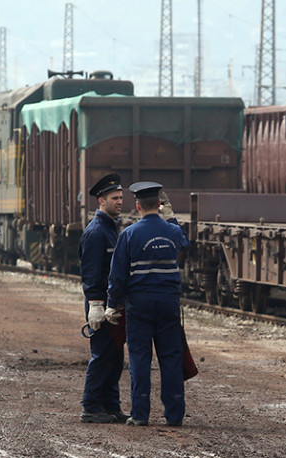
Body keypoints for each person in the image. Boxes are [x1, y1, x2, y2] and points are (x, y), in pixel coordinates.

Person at [105, 181, 189, 427]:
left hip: (139, 305)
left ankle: (140, 414)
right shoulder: (173, 232)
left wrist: (111, 304)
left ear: (138, 205)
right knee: (171, 357)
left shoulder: (130, 234)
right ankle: (174, 415)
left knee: (140, 358)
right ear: (160, 205)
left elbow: (117, 274)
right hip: (168, 304)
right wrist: (171, 219)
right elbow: (184, 244)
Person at [78, 173, 129, 424]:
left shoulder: (111, 228)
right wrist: (95, 305)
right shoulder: (96, 232)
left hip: (114, 304)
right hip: (101, 305)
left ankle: (111, 406)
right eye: (115, 198)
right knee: (102, 356)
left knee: (115, 356)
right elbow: (91, 273)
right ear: (101, 201)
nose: (120, 202)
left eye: (121, 197)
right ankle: (90, 407)